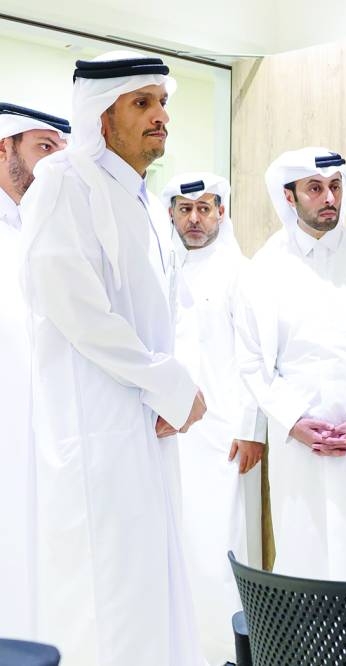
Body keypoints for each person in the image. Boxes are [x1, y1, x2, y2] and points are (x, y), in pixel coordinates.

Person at [19, 52, 207, 665]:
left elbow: (152, 317)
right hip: (96, 434)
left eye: (163, 103)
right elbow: (77, 309)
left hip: (145, 431)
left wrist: (162, 394)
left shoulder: (146, 203)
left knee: (151, 597)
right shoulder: (63, 184)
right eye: (143, 103)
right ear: (103, 118)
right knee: (107, 606)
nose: (162, 116)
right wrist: (169, 385)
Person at [236, 146, 346, 582]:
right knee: (304, 561)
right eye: (315, 188)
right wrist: (293, 420)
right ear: (290, 196)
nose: (329, 197)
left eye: (335, 186)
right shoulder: (263, 268)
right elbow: (253, 361)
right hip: (298, 446)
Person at [162, 172, 264, 665]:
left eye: (205, 208)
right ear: (171, 216)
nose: (195, 219)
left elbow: (255, 360)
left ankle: (229, 654)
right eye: (185, 209)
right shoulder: (164, 273)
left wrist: (251, 429)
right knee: (180, 547)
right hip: (173, 435)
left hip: (226, 437)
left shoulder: (240, 274)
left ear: (222, 212)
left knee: (222, 548)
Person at [0, 102, 69, 640]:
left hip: (46, 433)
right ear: (5, 149)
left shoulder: (47, 229)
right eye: (43, 149)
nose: (54, 167)